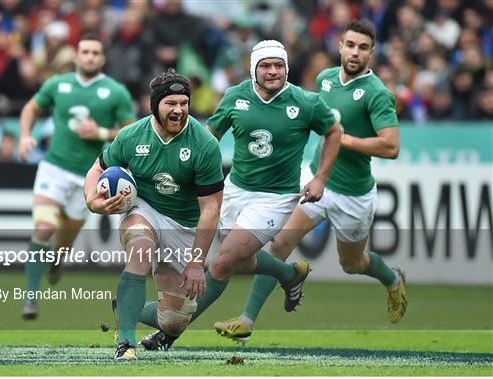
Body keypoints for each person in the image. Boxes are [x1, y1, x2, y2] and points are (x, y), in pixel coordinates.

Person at [137, 39, 342, 351]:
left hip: (275, 198)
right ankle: (289, 274)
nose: (273, 71)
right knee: (238, 262)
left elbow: (333, 131)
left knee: (221, 263)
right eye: (266, 66)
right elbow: (209, 138)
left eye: (279, 65)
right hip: (235, 189)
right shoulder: (236, 96)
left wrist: (320, 178)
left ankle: (170, 332)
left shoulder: (306, 102)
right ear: (253, 69)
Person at [213, 19, 408, 343]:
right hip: (317, 181)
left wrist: (344, 140)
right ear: (340, 46)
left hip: (353, 193)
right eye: (350, 45)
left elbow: (391, 146)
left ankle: (391, 279)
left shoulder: (376, 94)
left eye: (363, 47)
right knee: (279, 244)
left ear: (372, 53)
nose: (355, 52)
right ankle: (246, 321)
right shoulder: (325, 79)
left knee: (352, 263)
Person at [84, 69, 225, 360]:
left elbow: (211, 209)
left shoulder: (205, 145)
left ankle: (125, 306)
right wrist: (92, 201)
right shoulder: (131, 136)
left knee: (174, 321)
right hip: (144, 209)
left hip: (184, 226)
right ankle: (125, 344)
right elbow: (97, 168)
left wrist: (197, 262)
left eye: (184, 103)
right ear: (155, 105)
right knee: (139, 246)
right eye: (170, 103)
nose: (179, 110)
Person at [17, 34, 135, 320]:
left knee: (62, 243)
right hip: (53, 168)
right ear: (77, 56)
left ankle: (56, 261)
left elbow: (132, 132)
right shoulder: (58, 84)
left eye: (95, 52)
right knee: (43, 228)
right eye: (85, 52)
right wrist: (24, 137)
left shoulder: (115, 92)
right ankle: (30, 298)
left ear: (102, 58)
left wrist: (102, 134)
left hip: (88, 178)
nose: (90, 57)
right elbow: (31, 108)